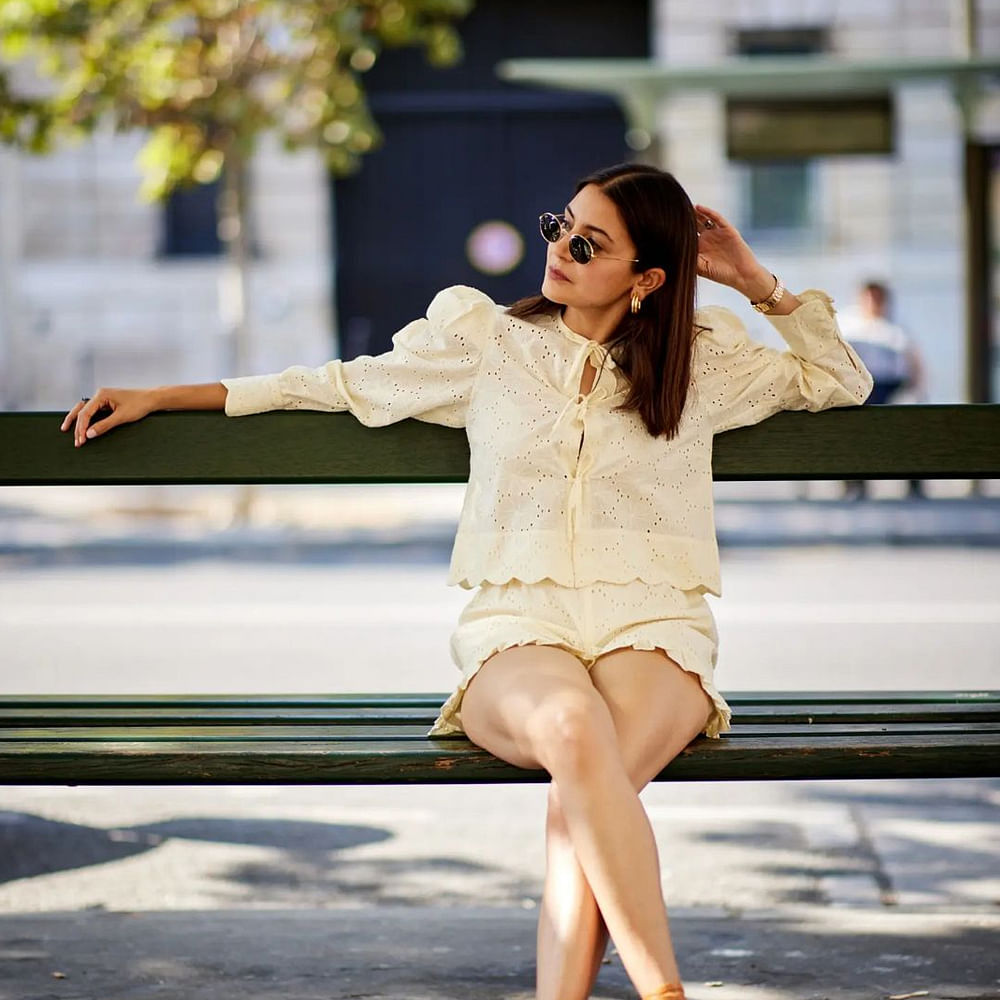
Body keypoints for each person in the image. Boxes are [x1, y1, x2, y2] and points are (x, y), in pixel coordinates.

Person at [61, 162, 873, 1000]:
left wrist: (752, 281)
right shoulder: (488, 344)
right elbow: (334, 386)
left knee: (579, 803)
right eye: (560, 224)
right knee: (573, 732)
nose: (559, 248)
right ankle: (664, 992)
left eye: (588, 244)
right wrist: (164, 395)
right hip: (520, 628)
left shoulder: (703, 366)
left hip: (654, 626)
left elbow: (842, 381)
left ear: (648, 279)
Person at [838, 280, 929, 499]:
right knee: (855, 426)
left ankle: (915, 484)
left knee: (911, 422)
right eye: (869, 297)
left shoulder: (896, 327)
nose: (873, 303)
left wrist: (917, 390)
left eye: (878, 298)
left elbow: (914, 362)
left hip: (893, 386)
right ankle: (856, 484)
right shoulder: (847, 323)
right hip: (861, 386)